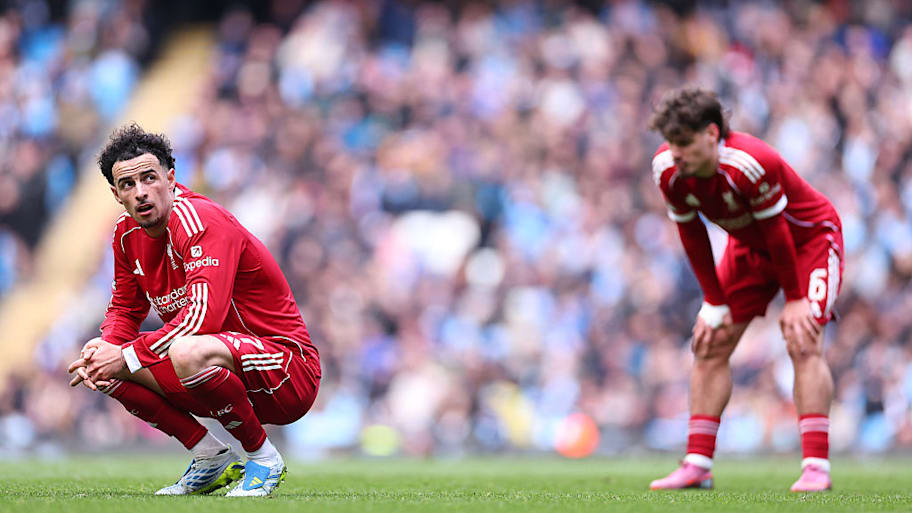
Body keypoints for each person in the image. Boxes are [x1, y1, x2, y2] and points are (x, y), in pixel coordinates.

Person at [67, 124, 321, 497]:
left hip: (286, 372)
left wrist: (125, 354)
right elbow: (124, 308)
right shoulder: (124, 235)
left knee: (182, 349)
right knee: (100, 359)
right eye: (127, 185)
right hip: (217, 375)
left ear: (171, 178)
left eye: (149, 178)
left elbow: (204, 319)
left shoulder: (200, 220)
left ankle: (264, 460)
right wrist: (106, 351)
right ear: (115, 194)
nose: (140, 193)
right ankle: (210, 457)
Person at [646, 88, 842, 492]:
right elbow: (692, 233)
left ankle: (815, 469)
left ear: (712, 134)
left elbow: (779, 231)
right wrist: (713, 301)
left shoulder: (750, 163)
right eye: (671, 142)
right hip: (751, 247)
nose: (675, 152)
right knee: (710, 341)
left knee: (803, 339)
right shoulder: (667, 170)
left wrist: (796, 299)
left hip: (808, 244)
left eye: (684, 142)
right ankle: (697, 465)